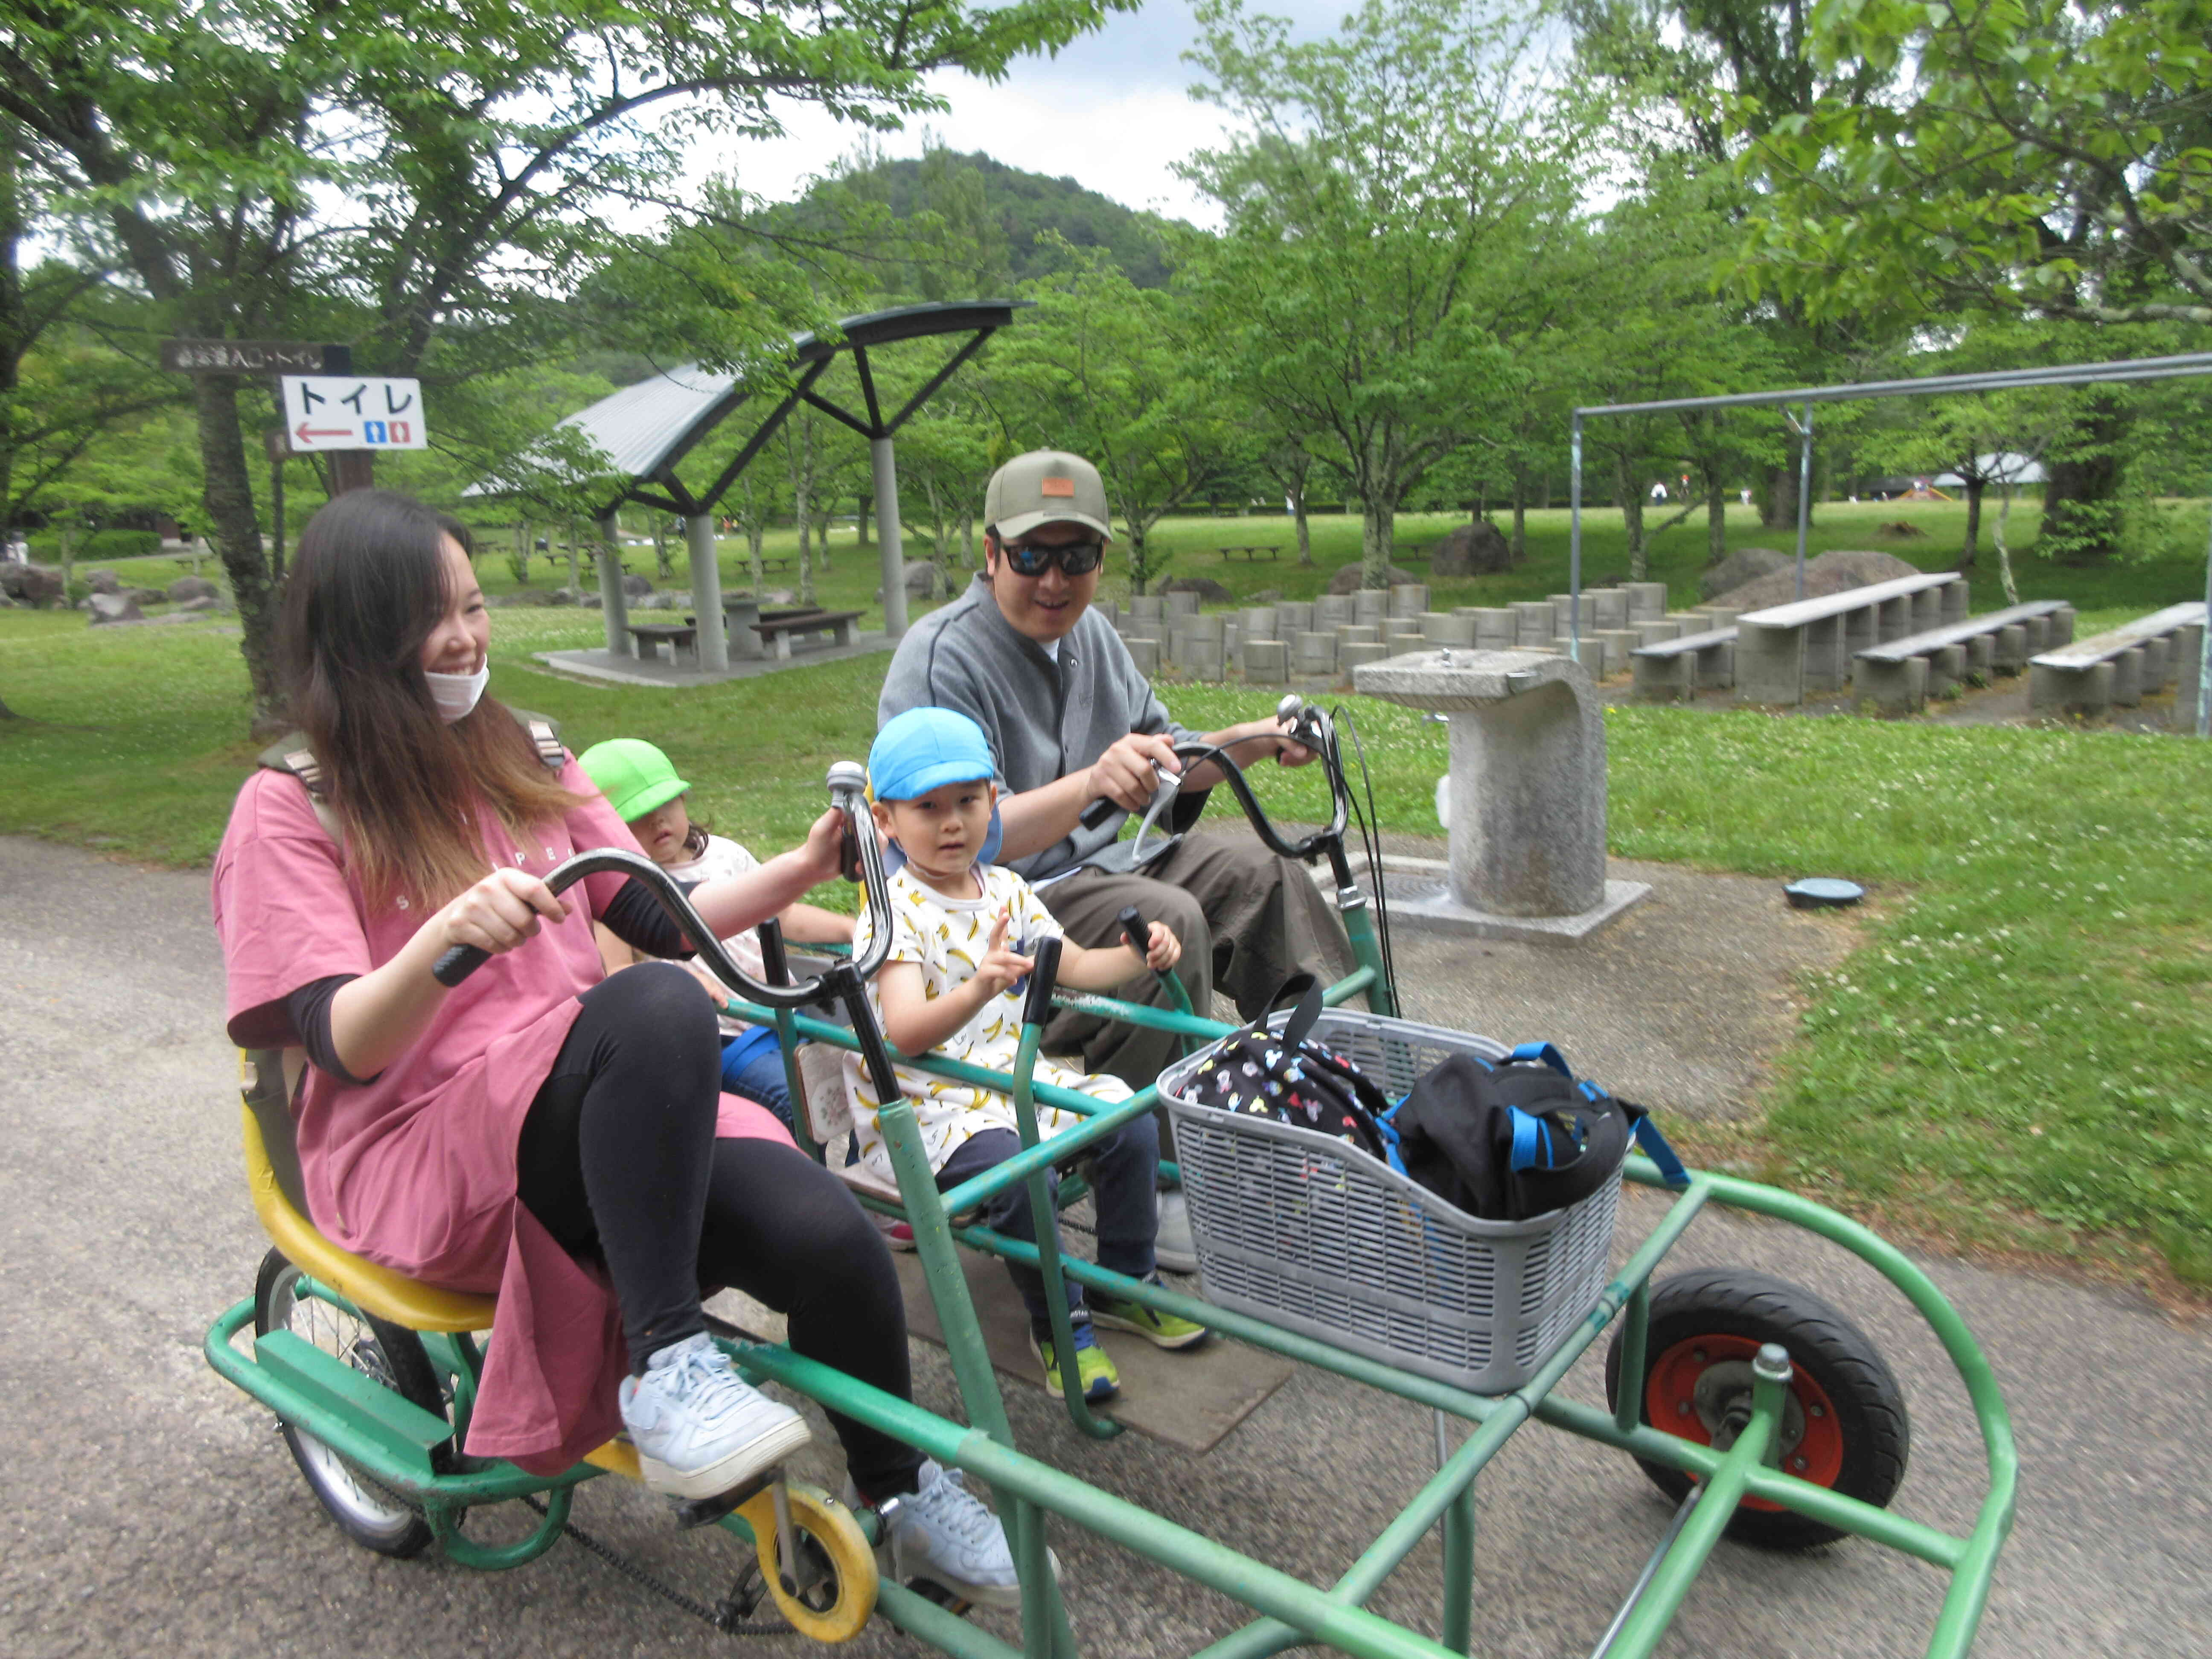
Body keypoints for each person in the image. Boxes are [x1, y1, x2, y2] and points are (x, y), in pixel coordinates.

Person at [210, 489, 1020, 1607]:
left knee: (825, 1230)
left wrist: (797, 866)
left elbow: (654, 915)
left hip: (601, 1108)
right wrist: (440, 947)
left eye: (476, 605)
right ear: (356, 634)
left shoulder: (524, 749)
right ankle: (670, 1365)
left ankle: (901, 1491)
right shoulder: (293, 804)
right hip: (423, 1144)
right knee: (658, 1012)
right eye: (429, 617)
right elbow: (338, 1043)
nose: (466, 638)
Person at [877, 450, 1358, 1269]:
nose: (1054, 580)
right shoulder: (944, 658)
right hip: (998, 901)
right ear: (989, 552)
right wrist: (1090, 780)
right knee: (1163, 922)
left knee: (1264, 877)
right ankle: (1165, 1174)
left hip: (1110, 864)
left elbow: (1163, 756)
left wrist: (1250, 740)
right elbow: (956, 839)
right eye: (1031, 556)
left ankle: (1327, 1099)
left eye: (1077, 557)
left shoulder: (1088, 635)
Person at [849, 707, 1211, 1403]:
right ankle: (1058, 1320)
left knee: (1128, 1119)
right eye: (927, 808)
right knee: (1023, 1177)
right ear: (886, 821)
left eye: (968, 801)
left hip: (1013, 1081)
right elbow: (904, 1034)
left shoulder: (1006, 889)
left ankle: (1125, 1278)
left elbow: (1071, 965)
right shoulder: (892, 910)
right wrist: (980, 984)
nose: (952, 822)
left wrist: (1136, 955)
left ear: (994, 800)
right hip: (930, 1104)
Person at [576, 737, 854, 1130]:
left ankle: (866, 1180)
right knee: (798, 1107)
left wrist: (849, 927)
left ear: (685, 800)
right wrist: (678, 983)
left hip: (787, 1012)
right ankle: (808, 1180)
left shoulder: (723, 855)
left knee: (862, 1091)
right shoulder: (622, 895)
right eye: (636, 815)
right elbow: (619, 971)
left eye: (665, 804)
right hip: (725, 1037)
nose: (657, 821)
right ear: (604, 833)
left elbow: (783, 914)